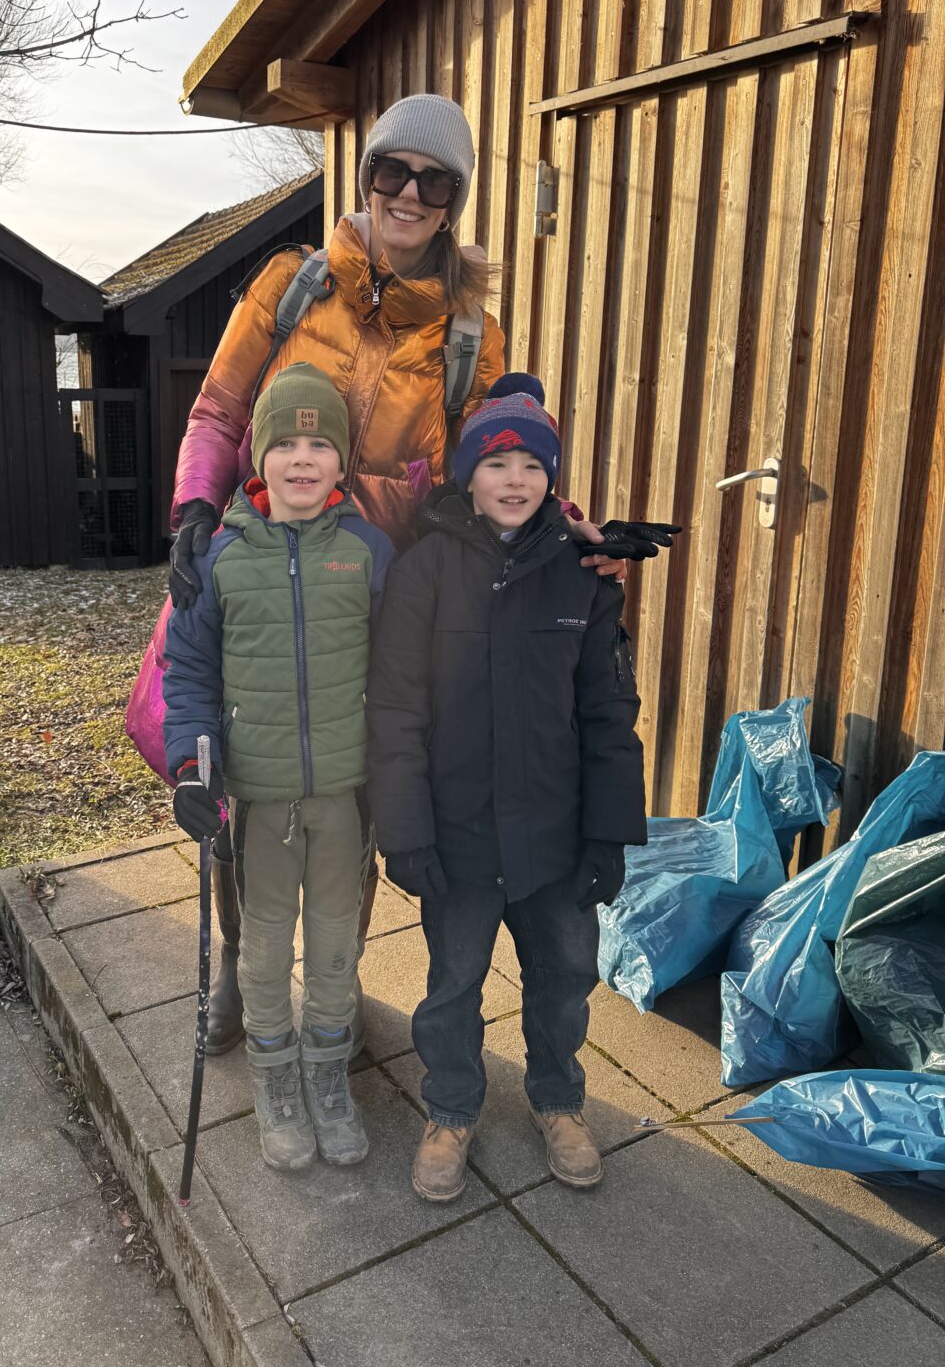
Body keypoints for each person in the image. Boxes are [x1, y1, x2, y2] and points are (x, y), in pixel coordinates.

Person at [161, 92, 647, 1059]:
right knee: (238, 776)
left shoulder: (472, 334)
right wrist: (194, 513)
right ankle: (235, 962)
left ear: (455, 200)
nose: (410, 194)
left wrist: (572, 535)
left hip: (383, 585)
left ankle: (335, 980)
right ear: (368, 177)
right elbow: (219, 410)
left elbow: (496, 467)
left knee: (363, 787)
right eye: (394, 172)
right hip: (259, 555)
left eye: (435, 181)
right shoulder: (289, 284)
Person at [366, 373, 649, 1202]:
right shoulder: (423, 575)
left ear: (552, 479)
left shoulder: (583, 581)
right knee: (452, 985)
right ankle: (450, 1108)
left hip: (557, 837)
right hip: (457, 833)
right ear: (467, 474)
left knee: (564, 978)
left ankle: (559, 1099)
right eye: (497, 462)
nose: (515, 478)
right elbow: (395, 711)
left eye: (532, 463)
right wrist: (405, 831)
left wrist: (608, 834)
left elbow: (609, 715)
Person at [163, 363, 393, 1171]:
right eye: (285, 443)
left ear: (341, 462)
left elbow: (402, 674)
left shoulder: (368, 552)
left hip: (342, 797)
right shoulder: (219, 558)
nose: (302, 459)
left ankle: (327, 1072)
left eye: (319, 444)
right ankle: (275, 1079)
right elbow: (187, 677)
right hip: (255, 804)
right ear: (258, 456)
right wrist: (191, 770)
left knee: (336, 946)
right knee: (262, 951)